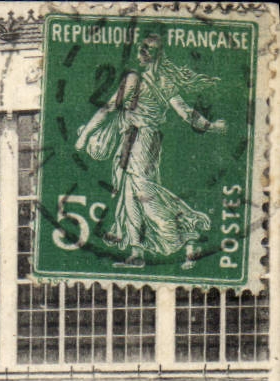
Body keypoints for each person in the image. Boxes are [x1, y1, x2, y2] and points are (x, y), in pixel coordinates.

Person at [74, 32, 227, 269]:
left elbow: (108, 108)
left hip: (139, 140)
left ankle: (190, 233)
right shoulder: (164, 81)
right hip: (146, 141)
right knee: (130, 194)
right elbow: (185, 113)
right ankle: (137, 252)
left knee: (145, 194)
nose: (140, 53)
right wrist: (211, 126)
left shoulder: (136, 79)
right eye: (140, 49)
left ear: (153, 55)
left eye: (145, 49)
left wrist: (84, 136)